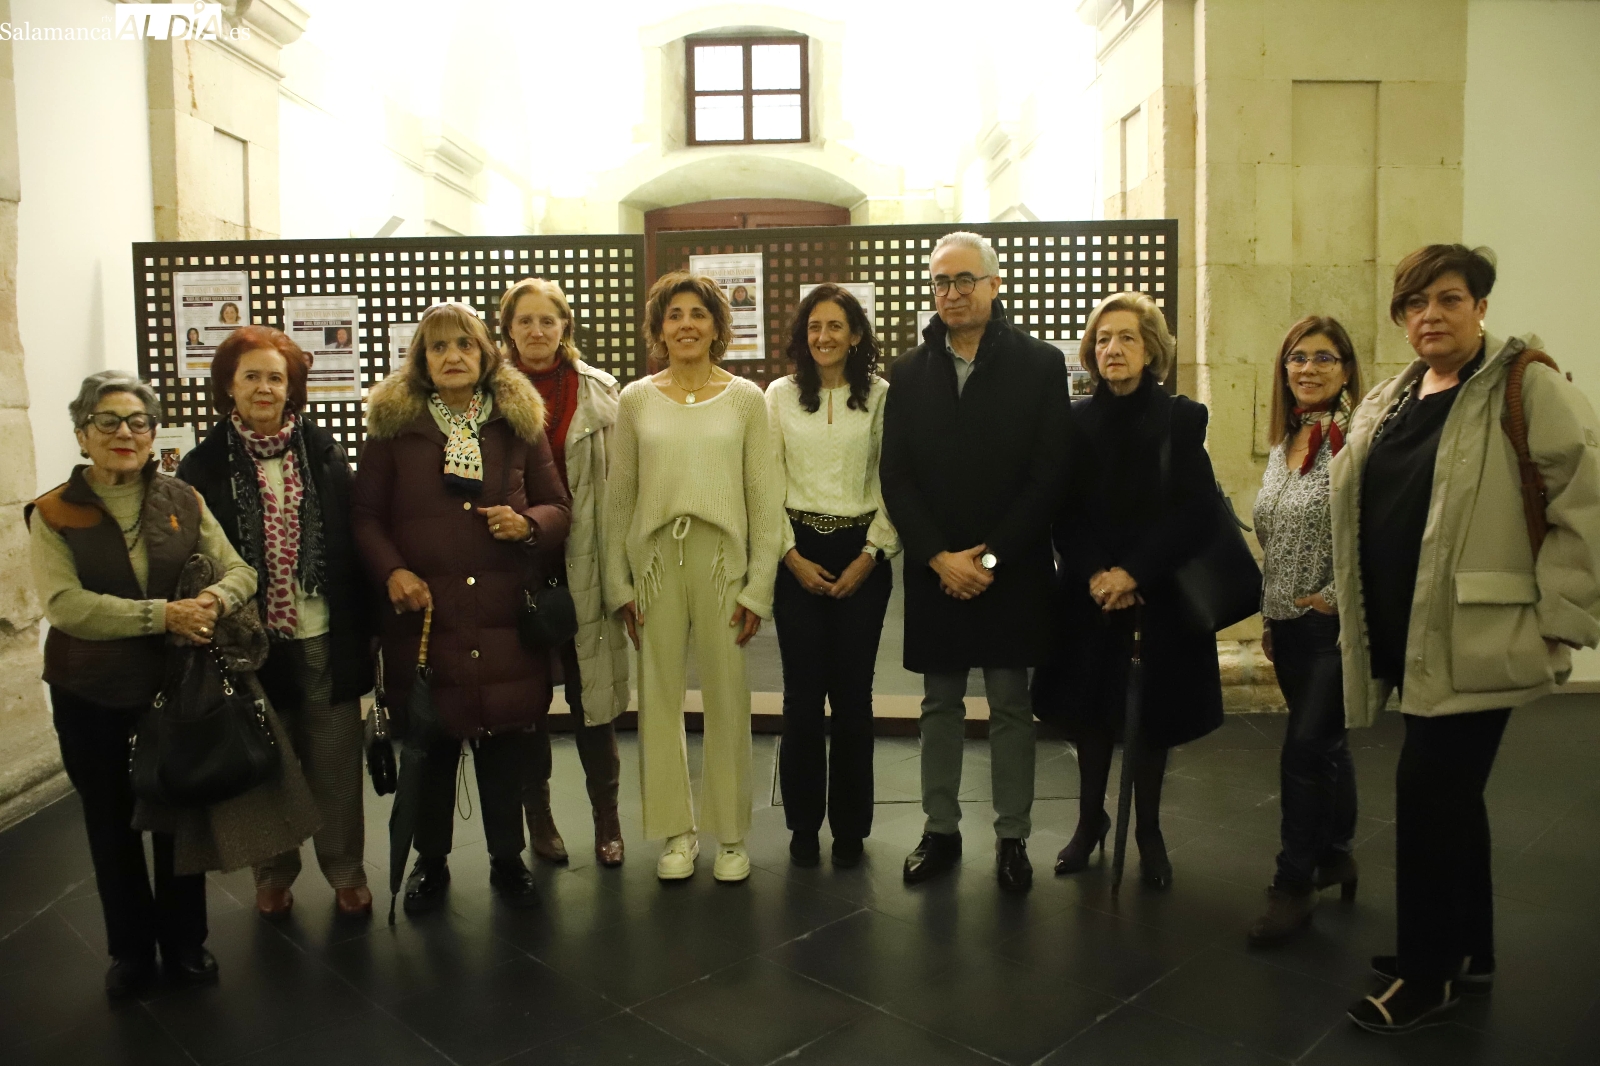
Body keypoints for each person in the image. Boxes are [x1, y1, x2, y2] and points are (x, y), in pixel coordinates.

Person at [1334, 245, 1600, 1033]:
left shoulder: (1527, 385)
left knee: (1427, 800)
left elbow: (1586, 501)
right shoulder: (1393, 397)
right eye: (1415, 304)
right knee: (1452, 800)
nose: (1431, 316)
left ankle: (1427, 977)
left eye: (1449, 299)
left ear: (1480, 307)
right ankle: (1469, 951)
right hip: (1414, 632)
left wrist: (1560, 619)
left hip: (1481, 634)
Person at [26, 371, 257, 998]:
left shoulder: (183, 498)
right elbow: (65, 606)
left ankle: (185, 942)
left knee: (178, 814)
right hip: (90, 693)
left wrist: (211, 599)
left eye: (137, 422)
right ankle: (130, 951)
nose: (124, 433)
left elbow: (240, 570)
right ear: (82, 434)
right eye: (108, 421)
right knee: (111, 822)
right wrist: (163, 616)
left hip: (172, 688)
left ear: (154, 434)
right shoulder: (53, 512)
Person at [353, 301, 572, 914]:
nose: (453, 356)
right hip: (425, 619)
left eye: (465, 345)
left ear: (486, 354)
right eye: (439, 347)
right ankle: (432, 861)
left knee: (504, 746)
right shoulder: (394, 430)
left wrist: (527, 524)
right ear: (422, 360)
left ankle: (508, 858)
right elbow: (365, 517)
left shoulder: (516, 424)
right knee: (432, 745)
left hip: (503, 616)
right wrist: (392, 571)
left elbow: (559, 508)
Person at [880, 231, 1069, 893]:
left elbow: (1049, 474)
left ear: (994, 284)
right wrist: (939, 557)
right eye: (941, 282)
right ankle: (940, 830)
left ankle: (1013, 837)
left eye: (965, 280)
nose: (952, 293)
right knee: (940, 702)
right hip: (937, 569)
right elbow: (896, 475)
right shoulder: (908, 371)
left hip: (1010, 568)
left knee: (1012, 704)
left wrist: (987, 557)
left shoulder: (1040, 364)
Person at [178, 325, 375, 919]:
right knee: (266, 762)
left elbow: (351, 545)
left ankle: (345, 871)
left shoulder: (324, 454)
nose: (264, 388)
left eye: (275, 378)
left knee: (336, 762)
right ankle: (273, 873)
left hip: (322, 634)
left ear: (292, 389)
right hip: (249, 644)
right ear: (229, 386)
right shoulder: (202, 466)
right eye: (251, 377)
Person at [1034, 291, 1223, 891]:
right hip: (1090, 596)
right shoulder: (1074, 420)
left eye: (1127, 338)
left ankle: (1149, 831)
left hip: (1156, 594)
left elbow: (1197, 514)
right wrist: (1097, 574)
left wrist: (1134, 574)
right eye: (1103, 339)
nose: (1112, 349)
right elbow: (1063, 511)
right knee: (1090, 715)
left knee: (1150, 721)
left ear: (1151, 350)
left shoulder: (1179, 419)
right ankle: (1089, 822)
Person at [604, 272, 783, 883]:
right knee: (657, 699)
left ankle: (731, 835)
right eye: (674, 315)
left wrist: (758, 587)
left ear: (716, 326)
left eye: (698, 314)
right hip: (654, 563)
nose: (686, 325)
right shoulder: (635, 400)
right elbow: (619, 498)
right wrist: (619, 584)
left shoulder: (745, 399)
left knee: (728, 698)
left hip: (721, 563)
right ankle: (676, 833)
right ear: (659, 328)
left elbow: (764, 499)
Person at [767, 283, 898, 868]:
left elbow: (893, 481)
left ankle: (850, 828)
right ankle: (801, 825)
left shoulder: (882, 397)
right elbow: (765, 481)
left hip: (861, 550)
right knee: (801, 698)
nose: (823, 337)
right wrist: (788, 555)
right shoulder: (778, 396)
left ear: (856, 335)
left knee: (852, 698)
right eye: (814, 326)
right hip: (796, 549)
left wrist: (871, 555)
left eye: (836, 326)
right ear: (803, 335)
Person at [500, 278, 629, 867]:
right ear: (508, 329)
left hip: (586, 563)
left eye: (546, 320)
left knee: (591, 701)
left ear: (564, 326)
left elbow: (622, 483)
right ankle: (541, 820)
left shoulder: (599, 391)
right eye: (524, 320)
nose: (536, 331)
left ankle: (608, 820)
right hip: (514, 568)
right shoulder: (485, 393)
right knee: (525, 707)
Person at [1246, 316, 1364, 945]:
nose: (1309, 368)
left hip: (1332, 628)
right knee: (1326, 748)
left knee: (1302, 752)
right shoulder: (1285, 441)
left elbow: (1377, 530)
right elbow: (1275, 537)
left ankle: (1292, 885)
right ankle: (1336, 852)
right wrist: (1271, 616)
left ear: (1346, 369)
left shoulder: (1357, 441)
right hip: (1288, 623)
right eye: (1297, 357)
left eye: (1324, 357)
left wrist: (1336, 600)